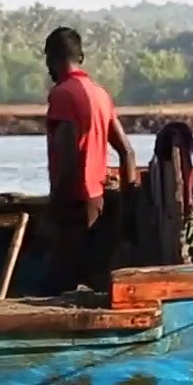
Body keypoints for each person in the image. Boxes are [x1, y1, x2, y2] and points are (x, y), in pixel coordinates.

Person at [42, 26, 136, 292]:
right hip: (99, 202)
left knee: (58, 284)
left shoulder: (62, 94)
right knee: (92, 277)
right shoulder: (100, 94)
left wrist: (54, 206)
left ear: (52, 58)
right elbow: (127, 152)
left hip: (73, 202)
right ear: (80, 57)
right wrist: (128, 207)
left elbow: (69, 155)